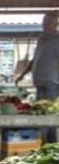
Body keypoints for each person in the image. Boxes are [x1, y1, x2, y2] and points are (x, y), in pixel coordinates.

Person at [18, 11, 59, 141]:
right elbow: (34, 59)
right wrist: (23, 74)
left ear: (55, 24)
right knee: (40, 115)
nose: (44, 25)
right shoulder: (41, 39)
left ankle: (50, 144)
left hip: (51, 83)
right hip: (39, 83)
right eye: (43, 23)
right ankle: (42, 143)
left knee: (49, 116)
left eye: (48, 23)